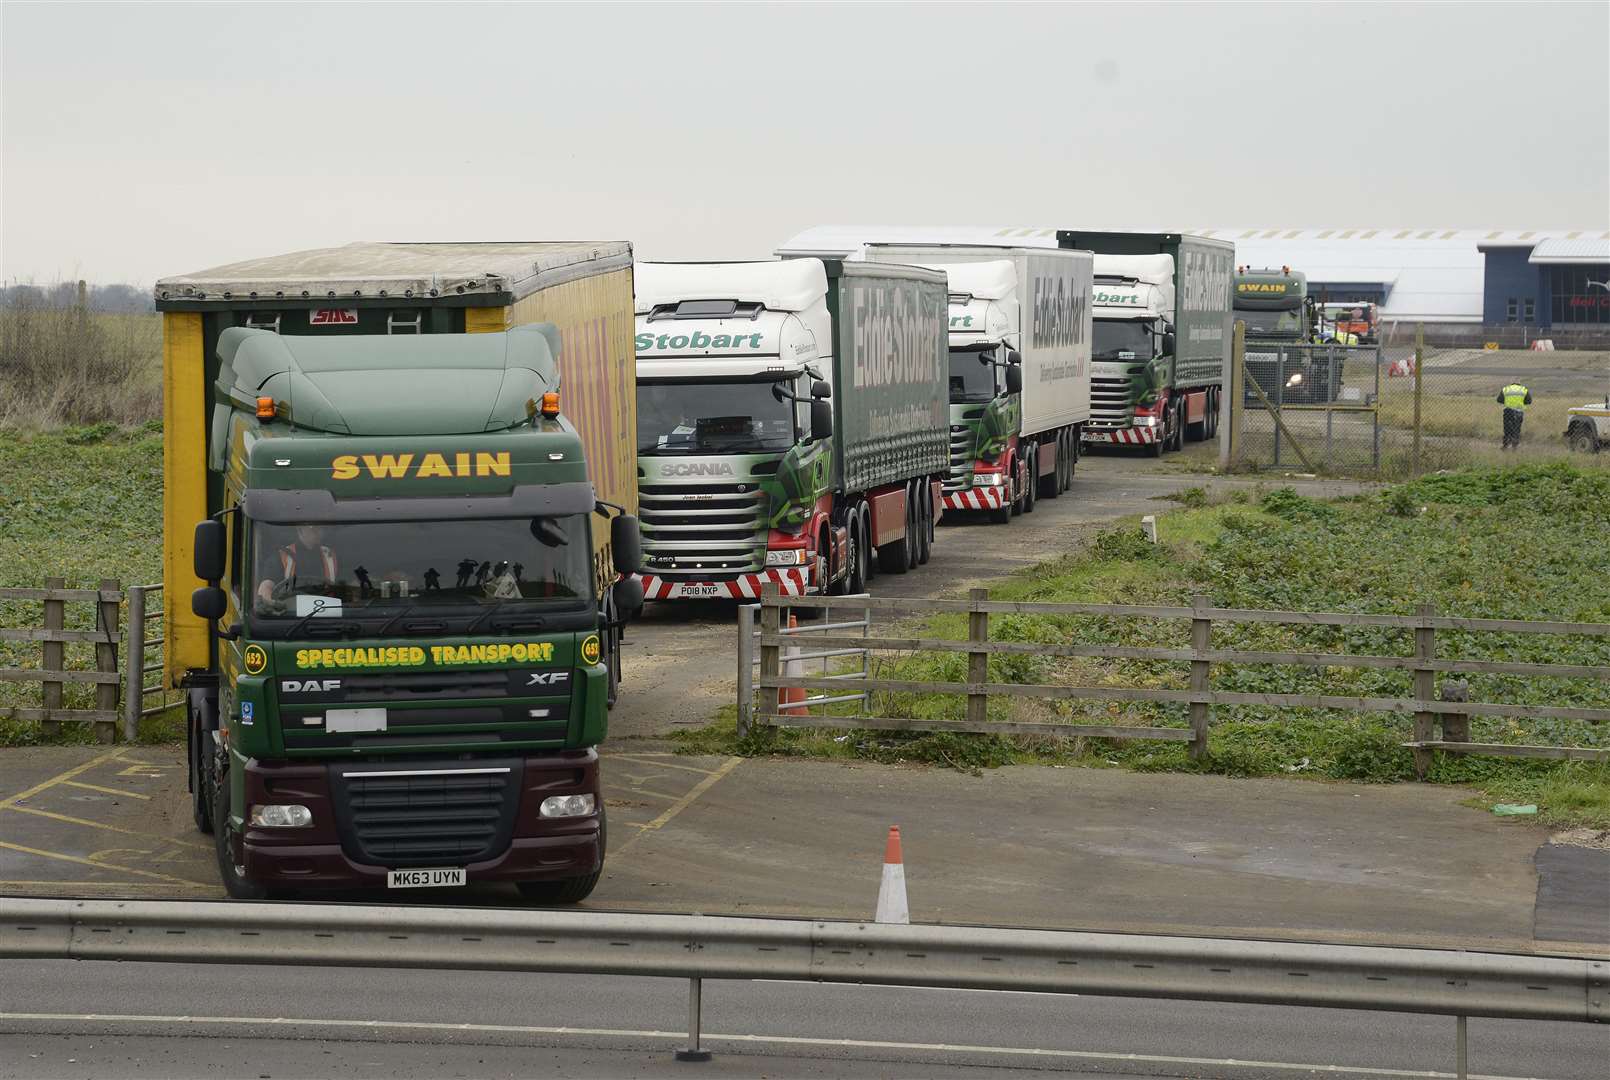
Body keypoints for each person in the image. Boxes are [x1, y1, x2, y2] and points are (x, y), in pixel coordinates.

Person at [257, 524, 339, 602]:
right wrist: (272, 603)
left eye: (320, 526)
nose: (319, 530)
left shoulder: (332, 555)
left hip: (329, 612)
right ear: (299, 529)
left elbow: (348, 584)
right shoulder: (280, 557)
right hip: (289, 614)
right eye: (312, 527)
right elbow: (266, 587)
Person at [1496, 382, 1532, 449]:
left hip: (1508, 411)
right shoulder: (1523, 389)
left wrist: (1507, 402)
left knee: (1507, 429)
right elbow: (1529, 401)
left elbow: (1499, 400)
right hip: (1519, 412)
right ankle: (1515, 445)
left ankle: (1505, 444)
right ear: (1519, 385)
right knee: (1517, 428)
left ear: (1512, 384)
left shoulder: (1506, 389)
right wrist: (1521, 402)